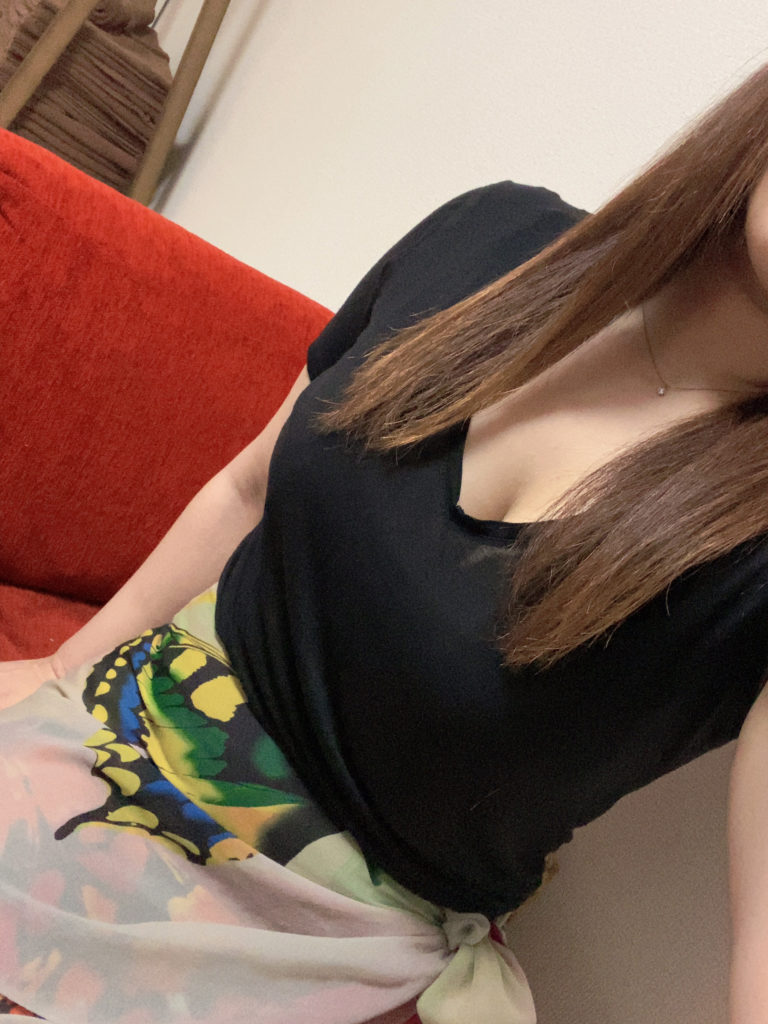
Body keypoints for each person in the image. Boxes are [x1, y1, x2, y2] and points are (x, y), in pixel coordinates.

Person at [4, 63, 768, 1024]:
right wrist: (65, 665)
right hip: (131, 724)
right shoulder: (492, 237)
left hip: (325, 933)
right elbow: (247, 487)